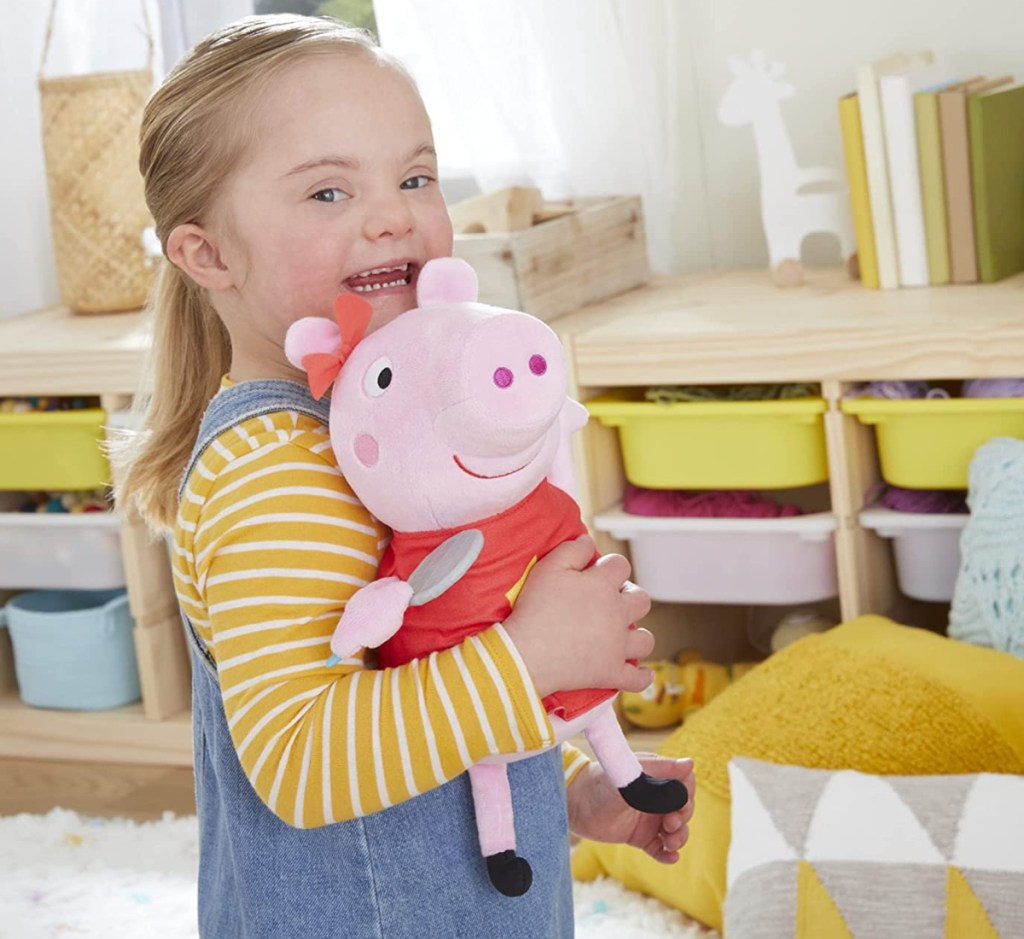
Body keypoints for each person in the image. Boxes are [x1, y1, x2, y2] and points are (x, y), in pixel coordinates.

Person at [114, 14, 694, 938]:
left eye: (414, 176)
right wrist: (531, 656)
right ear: (208, 255)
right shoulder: (280, 472)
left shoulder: (380, 432)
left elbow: (427, 679)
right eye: (329, 191)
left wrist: (559, 797)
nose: (393, 214)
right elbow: (303, 759)